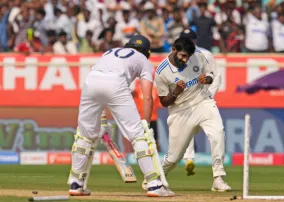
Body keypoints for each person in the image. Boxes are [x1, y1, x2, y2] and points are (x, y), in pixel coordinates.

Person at [67, 35, 175, 197]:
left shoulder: (110, 52)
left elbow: (100, 83)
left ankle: (76, 184)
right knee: (138, 136)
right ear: (147, 52)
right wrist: (145, 125)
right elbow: (147, 97)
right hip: (116, 83)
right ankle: (154, 184)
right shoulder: (143, 60)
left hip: (91, 82)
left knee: (84, 135)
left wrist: (101, 117)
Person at [154, 37, 231, 192]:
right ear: (173, 50)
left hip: (202, 101)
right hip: (180, 111)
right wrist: (175, 92)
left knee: (218, 133)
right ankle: (157, 177)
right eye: (182, 56)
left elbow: (210, 74)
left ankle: (218, 178)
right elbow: (164, 102)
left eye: (188, 56)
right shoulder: (162, 71)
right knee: (174, 157)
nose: (185, 59)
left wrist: (207, 79)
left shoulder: (197, 56)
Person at [178, 29, 221, 176]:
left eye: (190, 40)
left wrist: (210, 96)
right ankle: (189, 159)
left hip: (204, 100)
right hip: (187, 100)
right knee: (187, 130)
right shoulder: (177, 55)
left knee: (215, 132)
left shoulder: (205, 54)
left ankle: (218, 172)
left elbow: (215, 76)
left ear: (195, 41)